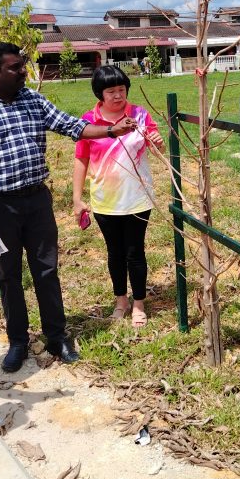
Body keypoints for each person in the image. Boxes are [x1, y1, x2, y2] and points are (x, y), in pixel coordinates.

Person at [0, 42, 137, 373]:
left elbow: (72, 126)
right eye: (16, 68)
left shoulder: (33, 100)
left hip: (36, 200)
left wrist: (110, 129)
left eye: (23, 66)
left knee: (46, 270)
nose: (24, 72)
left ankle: (56, 336)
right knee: (7, 275)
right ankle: (18, 340)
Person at [72, 66, 163, 327]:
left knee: (135, 251)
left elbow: (158, 149)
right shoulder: (89, 121)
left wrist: (157, 142)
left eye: (121, 90)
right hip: (105, 200)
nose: (117, 96)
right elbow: (81, 160)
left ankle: (138, 303)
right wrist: (77, 198)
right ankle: (120, 300)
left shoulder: (139, 115)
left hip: (137, 197)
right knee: (114, 252)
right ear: (100, 94)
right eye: (110, 91)